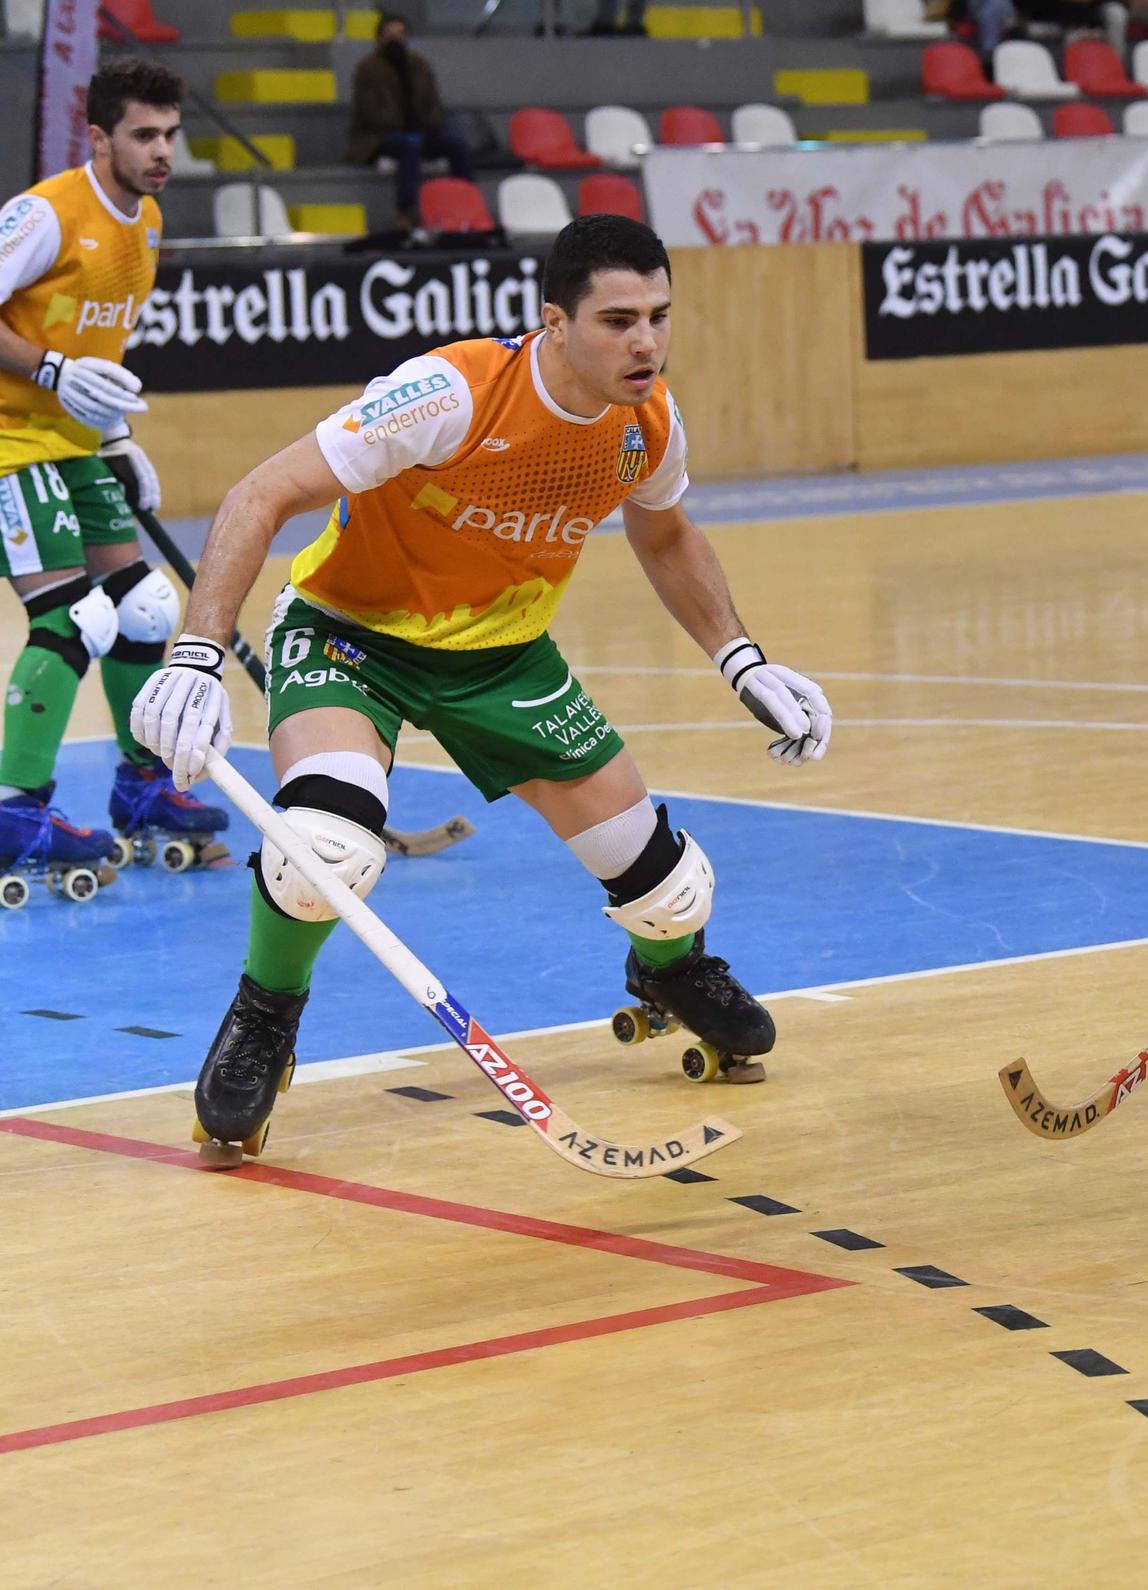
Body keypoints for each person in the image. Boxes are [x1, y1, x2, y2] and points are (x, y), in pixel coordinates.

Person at [130, 215, 833, 1162]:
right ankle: (265, 1013)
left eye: (661, 317)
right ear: (554, 322)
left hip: (503, 655)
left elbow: (665, 535)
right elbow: (261, 494)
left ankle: (673, 970)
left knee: (668, 885)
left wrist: (742, 657)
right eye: (619, 319)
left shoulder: (649, 422)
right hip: (353, 635)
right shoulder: (447, 394)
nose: (646, 343)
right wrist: (196, 652)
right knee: (325, 849)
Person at [0, 58, 229, 895]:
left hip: (74, 443)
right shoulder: (45, 215)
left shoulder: (149, 223)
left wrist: (118, 437)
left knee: (145, 606)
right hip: (8, 445)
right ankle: (15, 810)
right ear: (98, 137)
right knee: (68, 620)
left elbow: (106, 350)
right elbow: (61, 351)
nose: (162, 149)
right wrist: (54, 369)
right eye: (143, 134)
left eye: (170, 133)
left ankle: (142, 789)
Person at [346, 13, 475, 231]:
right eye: (389, 35)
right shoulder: (367, 69)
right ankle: (405, 211)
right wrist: (402, 123)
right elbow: (369, 114)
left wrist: (429, 125)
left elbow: (434, 106)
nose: (395, 40)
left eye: (400, 34)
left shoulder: (419, 66)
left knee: (456, 144)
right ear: (378, 39)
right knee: (409, 144)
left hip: (420, 132)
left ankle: (467, 204)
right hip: (377, 138)